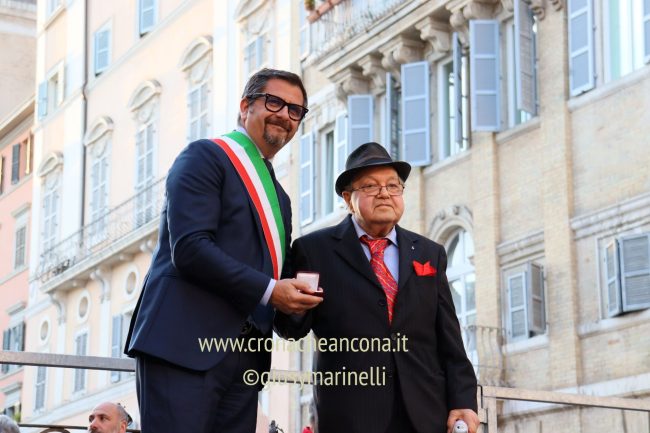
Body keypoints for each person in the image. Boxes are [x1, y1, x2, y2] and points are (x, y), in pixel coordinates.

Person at [125, 68, 322, 433]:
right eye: (274, 102)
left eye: (295, 110)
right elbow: (190, 248)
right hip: (183, 344)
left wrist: (298, 302)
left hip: (246, 360)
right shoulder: (205, 156)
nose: (285, 115)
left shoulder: (280, 199)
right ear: (245, 107)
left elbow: (273, 279)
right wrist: (271, 291)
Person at [275, 142, 480, 433]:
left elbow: (449, 339)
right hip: (349, 414)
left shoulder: (429, 253)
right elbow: (291, 328)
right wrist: (292, 306)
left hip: (424, 413)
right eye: (370, 186)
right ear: (348, 199)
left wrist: (463, 400)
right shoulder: (314, 250)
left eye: (393, 186)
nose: (384, 193)